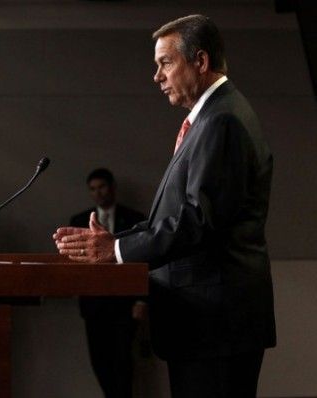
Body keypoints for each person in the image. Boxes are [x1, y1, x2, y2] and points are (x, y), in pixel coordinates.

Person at [54, 14, 275, 397]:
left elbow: (196, 221)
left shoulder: (222, 121)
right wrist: (112, 241)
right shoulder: (213, 117)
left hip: (214, 328)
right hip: (206, 325)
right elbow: (176, 217)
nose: (157, 76)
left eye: (165, 63)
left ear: (200, 62)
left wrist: (117, 250)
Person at [70, 168, 146, 398]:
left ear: (112, 187)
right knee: (100, 363)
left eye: (102, 187)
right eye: (93, 189)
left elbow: (146, 261)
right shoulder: (79, 221)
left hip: (125, 305)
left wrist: (143, 299)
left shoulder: (134, 219)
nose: (98, 193)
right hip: (93, 306)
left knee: (122, 363)